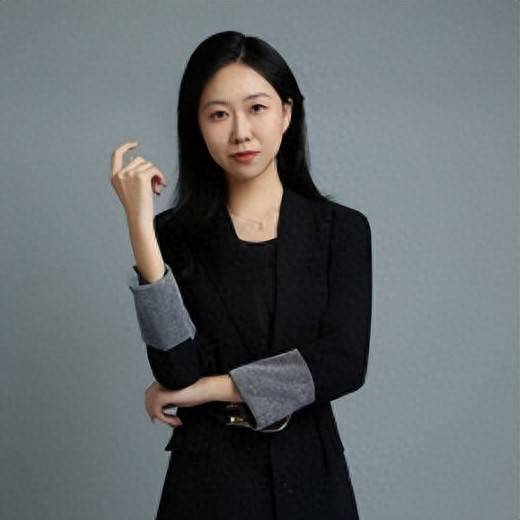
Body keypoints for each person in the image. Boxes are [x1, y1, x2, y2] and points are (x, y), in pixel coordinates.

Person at [110, 31, 372, 520]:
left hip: (311, 480)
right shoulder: (173, 235)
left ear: (287, 113)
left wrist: (210, 389)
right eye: (218, 114)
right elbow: (176, 371)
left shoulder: (341, 230)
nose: (241, 133)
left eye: (256, 108)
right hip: (207, 485)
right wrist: (141, 230)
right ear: (197, 126)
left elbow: (342, 363)